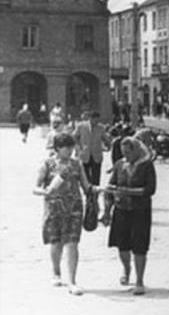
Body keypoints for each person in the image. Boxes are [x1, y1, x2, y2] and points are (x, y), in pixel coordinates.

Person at [33, 133, 95, 296]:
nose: (70, 150)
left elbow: (86, 186)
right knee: (56, 242)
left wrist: (95, 190)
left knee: (72, 243)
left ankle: (72, 282)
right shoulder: (47, 164)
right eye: (66, 147)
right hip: (54, 209)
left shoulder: (77, 165)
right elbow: (36, 187)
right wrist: (44, 191)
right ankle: (56, 272)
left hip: (74, 208)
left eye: (71, 147)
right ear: (57, 148)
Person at [104, 137, 157, 295]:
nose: (125, 156)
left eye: (128, 152)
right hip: (121, 210)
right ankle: (127, 269)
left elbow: (150, 189)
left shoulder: (146, 165)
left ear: (136, 150)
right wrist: (107, 209)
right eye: (123, 153)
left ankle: (140, 280)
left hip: (140, 211)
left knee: (140, 246)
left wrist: (128, 191)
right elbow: (110, 186)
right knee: (122, 246)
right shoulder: (120, 165)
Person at [74, 111, 111, 185]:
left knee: (96, 176)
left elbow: (105, 138)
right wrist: (79, 148)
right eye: (95, 120)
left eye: (98, 120)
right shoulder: (81, 126)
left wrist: (108, 145)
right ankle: (88, 192)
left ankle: (95, 193)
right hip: (85, 154)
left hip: (96, 155)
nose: (96, 122)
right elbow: (74, 137)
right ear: (90, 118)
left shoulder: (100, 127)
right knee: (85, 176)